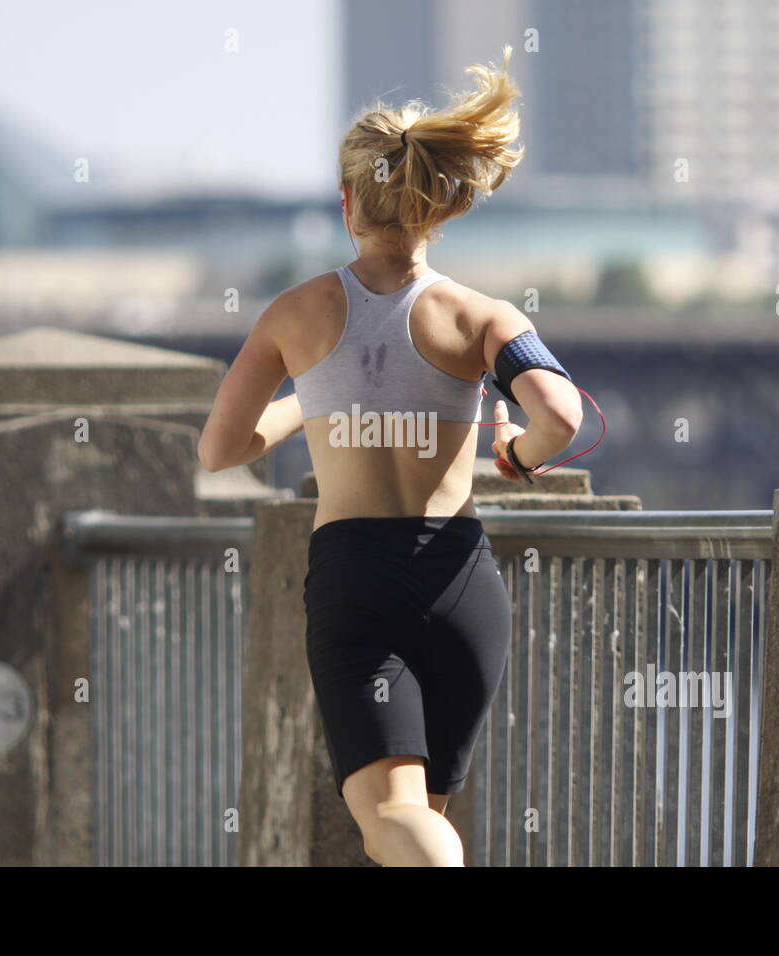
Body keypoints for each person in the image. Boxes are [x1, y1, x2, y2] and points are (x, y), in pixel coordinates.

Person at [197, 45, 582, 866]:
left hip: (358, 579)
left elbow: (222, 446)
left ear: (346, 203)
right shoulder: (480, 316)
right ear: (436, 209)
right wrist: (516, 454)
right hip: (462, 583)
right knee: (415, 821)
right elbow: (563, 415)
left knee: (393, 822)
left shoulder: (294, 314)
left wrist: (310, 402)